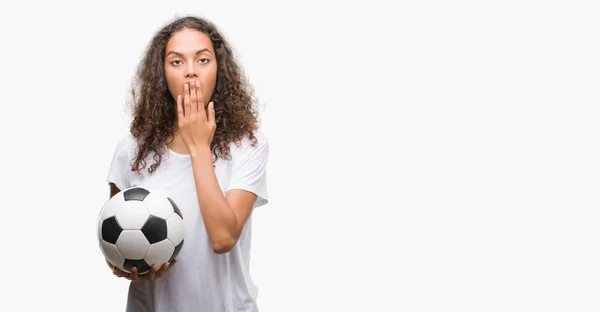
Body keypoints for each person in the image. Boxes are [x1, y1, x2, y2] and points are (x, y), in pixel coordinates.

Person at [104, 15, 269, 312]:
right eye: (176, 62)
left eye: (203, 60)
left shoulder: (248, 146)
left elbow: (223, 238)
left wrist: (198, 147)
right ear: (162, 73)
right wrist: (124, 266)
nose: (190, 72)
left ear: (219, 69)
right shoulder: (131, 150)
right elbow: (117, 237)